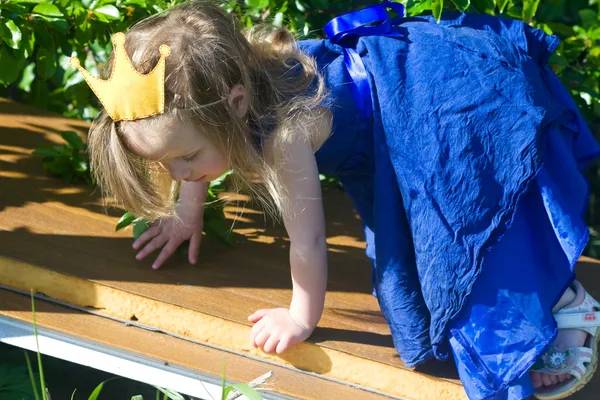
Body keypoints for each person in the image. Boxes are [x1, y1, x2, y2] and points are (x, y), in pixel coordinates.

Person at [73, 1, 600, 399]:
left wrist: (301, 318)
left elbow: (309, 242)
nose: (177, 172)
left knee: (474, 233)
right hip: (394, 122)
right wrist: (187, 212)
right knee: (427, 276)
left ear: (235, 104)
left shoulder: (284, 134)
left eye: (185, 158)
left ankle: (569, 305)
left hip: (439, 106)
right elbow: (198, 153)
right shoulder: (227, 107)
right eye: (165, 163)